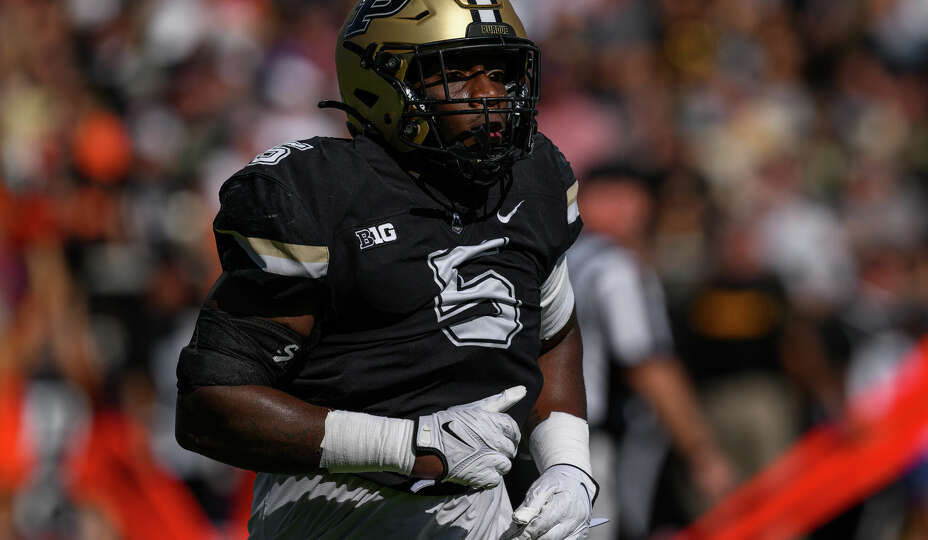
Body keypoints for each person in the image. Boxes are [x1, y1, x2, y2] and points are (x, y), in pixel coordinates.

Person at [174, 1, 596, 539]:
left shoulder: (533, 180)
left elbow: (553, 330)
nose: (489, 94)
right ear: (383, 84)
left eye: (499, 72)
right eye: (457, 74)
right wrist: (406, 445)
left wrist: (567, 465)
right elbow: (209, 407)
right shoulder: (323, 195)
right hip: (332, 512)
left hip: (482, 514)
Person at [567, 164, 735, 540]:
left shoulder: (560, 256)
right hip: (598, 441)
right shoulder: (614, 267)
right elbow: (648, 365)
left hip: (546, 434)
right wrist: (701, 452)